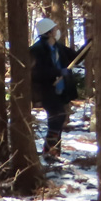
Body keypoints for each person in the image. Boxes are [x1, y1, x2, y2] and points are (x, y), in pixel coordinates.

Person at [30, 18, 80, 158]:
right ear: (49, 32)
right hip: (47, 91)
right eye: (54, 29)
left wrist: (88, 45)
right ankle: (49, 151)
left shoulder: (59, 47)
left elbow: (76, 57)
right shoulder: (36, 50)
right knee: (57, 118)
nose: (57, 31)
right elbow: (37, 72)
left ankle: (55, 152)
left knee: (59, 119)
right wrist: (58, 72)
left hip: (61, 92)